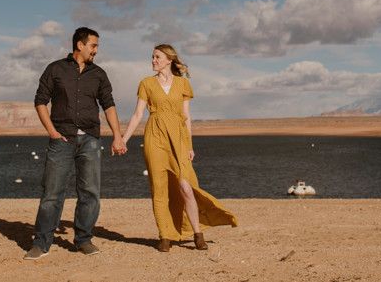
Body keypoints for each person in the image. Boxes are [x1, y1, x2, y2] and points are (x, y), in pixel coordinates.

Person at [122, 44, 237, 252]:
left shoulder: (183, 84)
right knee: (159, 190)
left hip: (179, 139)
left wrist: (189, 145)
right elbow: (137, 115)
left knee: (186, 187)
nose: (153, 61)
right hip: (155, 138)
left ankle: (197, 234)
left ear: (169, 60)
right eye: (152, 57)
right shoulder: (146, 83)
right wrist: (123, 140)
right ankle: (165, 236)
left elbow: (186, 117)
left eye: (157, 57)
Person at [24, 27, 126, 260]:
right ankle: (41, 243)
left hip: (90, 138)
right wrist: (51, 132)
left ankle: (83, 240)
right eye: (94, 46)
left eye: (97, 47)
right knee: (52, 193)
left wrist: (117, 136)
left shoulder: (99, 74)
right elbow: (40, 101)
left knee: (90, 192)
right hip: (62, 138)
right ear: (80, 45)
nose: (96, 51)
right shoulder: (55, 69)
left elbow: (108, 105)